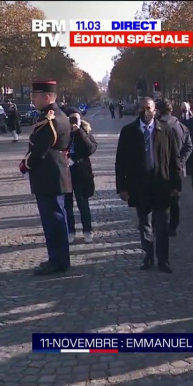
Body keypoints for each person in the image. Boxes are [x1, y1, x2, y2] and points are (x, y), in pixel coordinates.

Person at [115, 97, 182, 274]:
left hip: (161, 183)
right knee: (144, 223)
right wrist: (122, 187)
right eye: (143, 108)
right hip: (139, 185)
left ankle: (163, 259)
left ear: (155, 110)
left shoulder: (165, 130)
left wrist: (176, 185)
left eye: (149, 108)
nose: (146, 112)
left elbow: (175, 159)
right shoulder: (129, 131)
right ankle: (148, 255)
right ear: (138, 109)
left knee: (162, 224)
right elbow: (120, 161)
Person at [20, 80, 72, 275]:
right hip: (55, 175)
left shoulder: (50, 119)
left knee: (54, 221)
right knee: (56, 219)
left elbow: (39, 150)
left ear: (47, 97)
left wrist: (26, 165)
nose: (33, 99)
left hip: (49, 175)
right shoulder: (59, 115)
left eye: (36, 96)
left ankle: (58, 261)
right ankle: (57, 258)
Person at [156, 99, 193, 237]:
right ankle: (173, 226)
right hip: (178, 169)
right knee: (175, 197)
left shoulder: (158, 126)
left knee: (160, 197)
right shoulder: (182, 126)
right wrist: (181, 162)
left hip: (162, 168)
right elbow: (189, 147)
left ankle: (159, 223)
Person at [62, 106, 98, 244]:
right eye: (70, 119)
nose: (72, 122)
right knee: (67, 205)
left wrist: (79, 132)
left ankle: (87, 230)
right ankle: (70, 230)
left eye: (75, 118)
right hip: (66, 173)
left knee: (83, 204)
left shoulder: (85, 131)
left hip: (81, 173)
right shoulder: (62, 133)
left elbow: (91, 148)